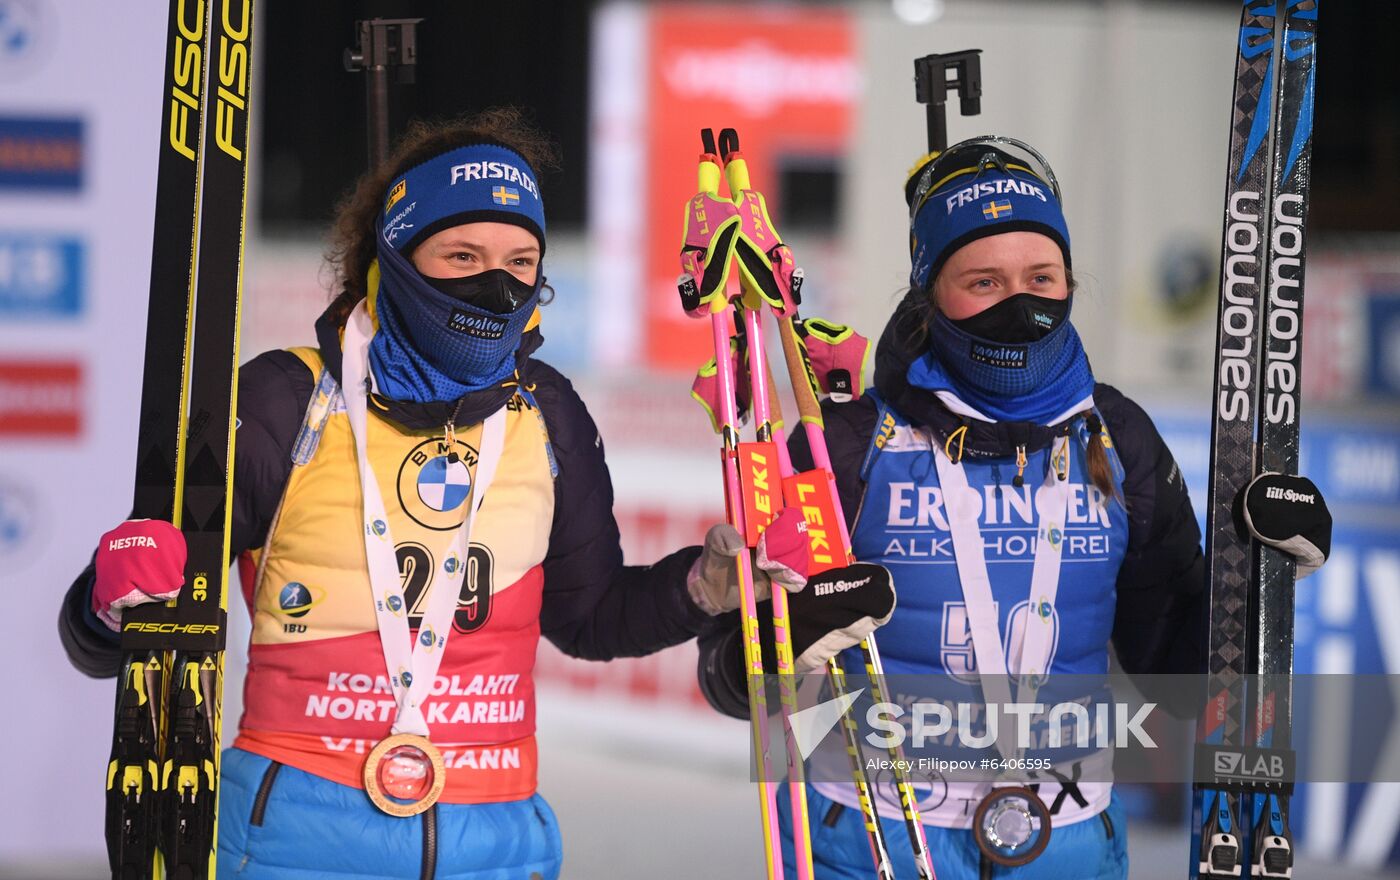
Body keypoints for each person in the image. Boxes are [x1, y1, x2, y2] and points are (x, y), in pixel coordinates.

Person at [58, 108, 811, 880]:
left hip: (497, 844)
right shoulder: (284, 400)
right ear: (397, 257)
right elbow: (118, 638)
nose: (497, 283)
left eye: (521, 261)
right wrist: (109, 600)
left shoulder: (547, 413)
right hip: (293, 840)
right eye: (462, 254)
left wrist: (706, 586)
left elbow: (591, 618)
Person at [697, 137, 1332, 879]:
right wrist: (780, 649)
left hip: (1063, 845)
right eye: (983, 282)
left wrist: (1259, 587)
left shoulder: (1119, 436)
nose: (1020, 301)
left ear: (1069, 281)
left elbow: (1177, 677)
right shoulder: (845, 442)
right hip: (875, 842)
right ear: (930, 293)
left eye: (1041, 276)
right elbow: (727, 682)